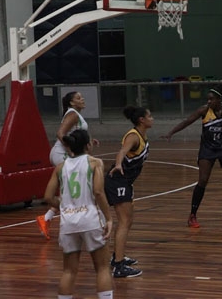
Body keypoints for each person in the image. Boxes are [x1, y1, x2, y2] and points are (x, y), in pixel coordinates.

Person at [161, 84, 222, 228]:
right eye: (208, 99)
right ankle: (192, 215)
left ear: (219, 100)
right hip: (207, 149)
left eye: (211, 99)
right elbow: (187, 121)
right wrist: (171, 133)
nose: (209, 102)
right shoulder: (203, 110)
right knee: (203, 180)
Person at [43, 129, 114, 298]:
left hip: (68, 221)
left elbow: (47, 196)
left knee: (68, 271)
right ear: (88, 144)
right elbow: (98, 192)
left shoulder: (60, 168)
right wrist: (109, 218)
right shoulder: (95, 163)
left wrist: (63, 206)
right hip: (90, 219)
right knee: (102, 268)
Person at [37, 91, 100, 240]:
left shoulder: (75, 114)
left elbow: (73, 133)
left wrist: (88, 140)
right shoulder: (72, 114)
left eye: (81, 96)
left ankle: (47, 218)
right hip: (61, 154)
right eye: (78, 98)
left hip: (65, 154)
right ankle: (56, 219)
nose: (82, 99)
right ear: (71, 103)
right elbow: (60, 133)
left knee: (71, 192)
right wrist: (72, 150)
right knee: (73, 192)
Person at [105, 106, 153, 278]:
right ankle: (118, 266)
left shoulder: (141, 135)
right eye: (150, 116)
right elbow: (122, 151)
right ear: (142, 120)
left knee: (127, 221)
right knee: (124, 221)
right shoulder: (133, 136)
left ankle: (117, 256)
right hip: (117, 180)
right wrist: (118, 164)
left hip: (125, 182)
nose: (152, 118)